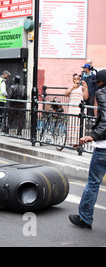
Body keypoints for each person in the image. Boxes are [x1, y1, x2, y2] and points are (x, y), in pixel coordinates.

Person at [69, 69, 106, 229]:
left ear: (99, 82)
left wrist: (93, 136)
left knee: (93, 183)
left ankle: (85, 219)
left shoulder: (101, 92)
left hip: (103, 148)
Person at [65, 73, 88, 147]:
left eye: (78, 79)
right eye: (75, 79)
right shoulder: (71, 87)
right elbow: (66, 94)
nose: (76, 80)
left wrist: (86, 87)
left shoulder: (82, 88)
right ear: (73, 80)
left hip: (79, 110)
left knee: (79, 127)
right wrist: (72, 87)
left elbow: (86, 97)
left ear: (80, 80)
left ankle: (79, 143)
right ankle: (72, 142)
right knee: (72, 126)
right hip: (72, 109)